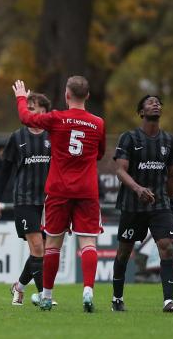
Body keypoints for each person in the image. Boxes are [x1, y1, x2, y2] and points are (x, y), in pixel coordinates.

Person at [13, 76, 105, 313]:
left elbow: (26, 118)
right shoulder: (98, 123)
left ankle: (46, 296)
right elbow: (100, 154)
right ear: (88, 96)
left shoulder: (57, 118)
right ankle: (88, 290)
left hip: (58, 190)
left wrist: (21, 97)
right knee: (88, 242)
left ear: (66, 95)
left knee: (53, 244)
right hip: (86, 190)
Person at [111, 95, 173, 313]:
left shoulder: (169, 141)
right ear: (141, 112)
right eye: (150, 102)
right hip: (132, 205)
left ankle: (168, 302)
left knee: (167, 246)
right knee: (124, 252)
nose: (156, 104)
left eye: (159, 102)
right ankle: (117, 298)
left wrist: (172, 204)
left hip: (160, 204)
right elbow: (120, 170)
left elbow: (171, 176)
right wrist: (138, 189)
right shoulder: (129, 138)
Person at [0, 92, 52, 306]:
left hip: (49, 201)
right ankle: (45, 295)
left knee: (40, 251)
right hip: (25, 199)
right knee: (37, 248)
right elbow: (5, 171)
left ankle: (19, 287)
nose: (30, 111)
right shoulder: (17, 137)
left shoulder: (53, 135)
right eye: (29, 107)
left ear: (44, 111)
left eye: (34, 107)